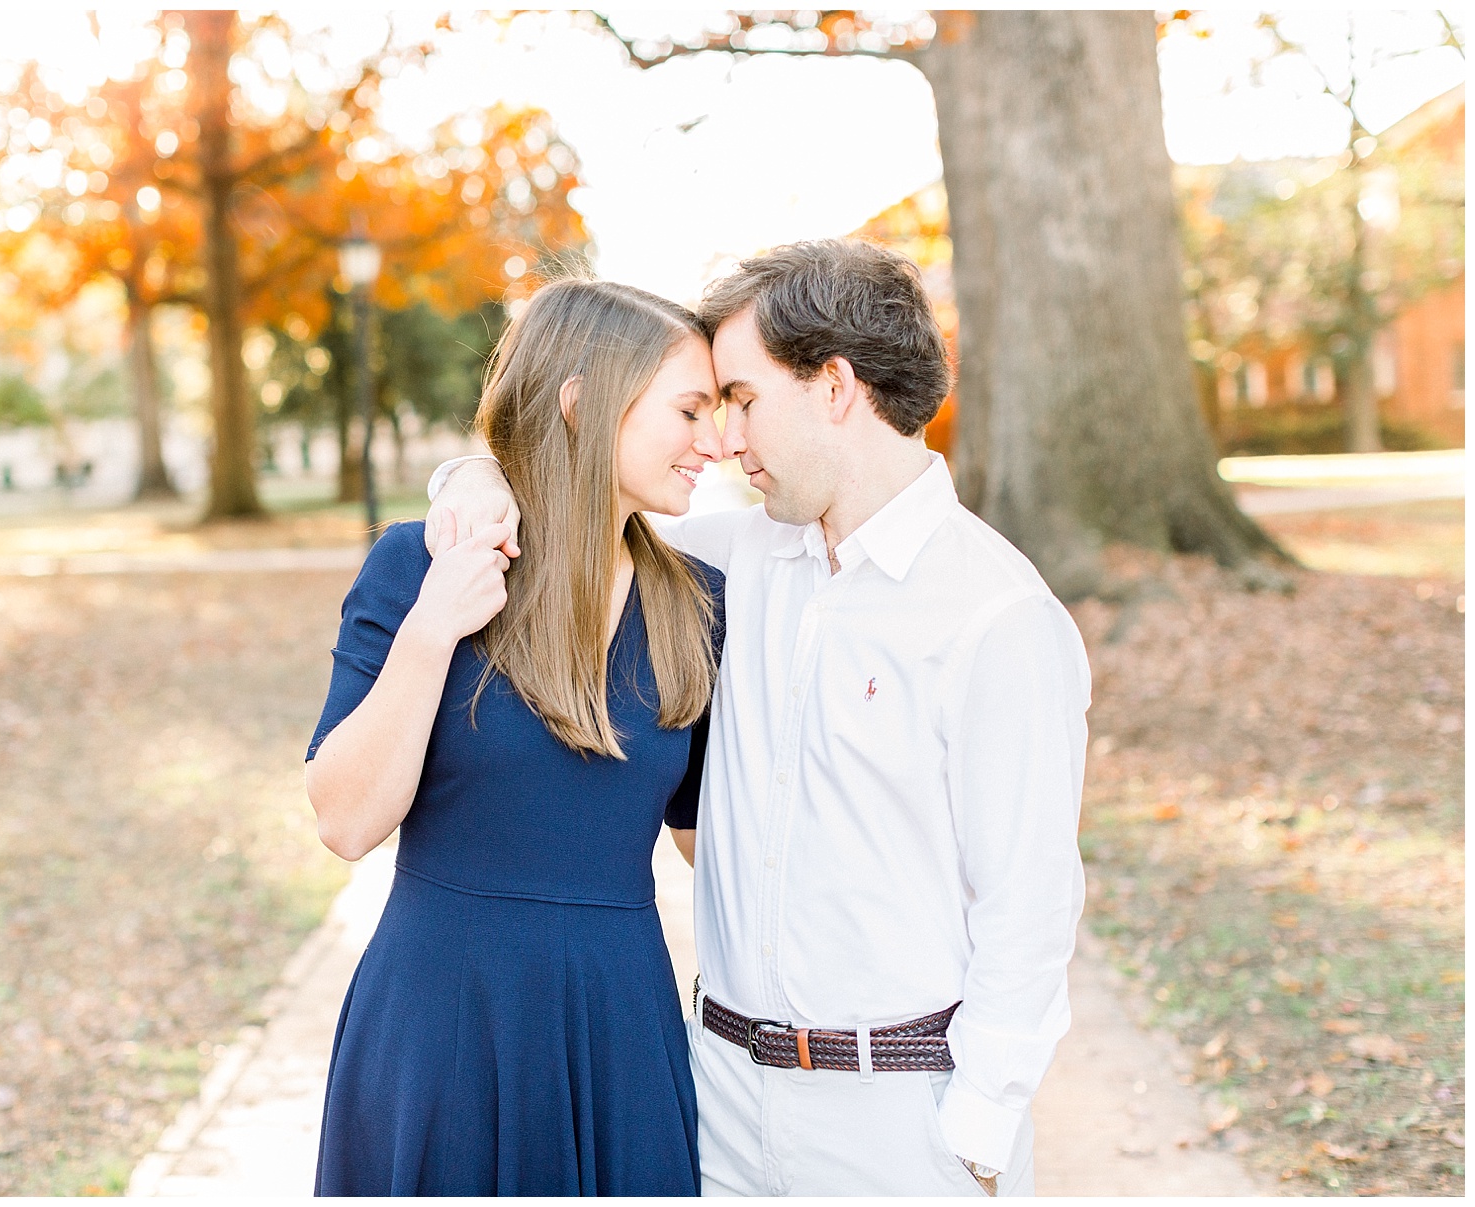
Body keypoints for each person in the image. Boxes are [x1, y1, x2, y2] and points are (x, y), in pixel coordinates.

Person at [426, 239, 1091, 1196]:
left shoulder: (995, 615)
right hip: (720, 1100)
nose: (724, 441)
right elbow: (568, 499)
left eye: (740, 398)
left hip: (901, 1124)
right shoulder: (728, 560)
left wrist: (975, 1131)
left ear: (833, 386)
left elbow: (1029, 903)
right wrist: (473, 477)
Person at [305, 276, 729, 1195]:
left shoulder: (698, 604)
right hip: (442, 1019)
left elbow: (713, 845)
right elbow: (343, 820)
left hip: (618, 1024)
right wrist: (432, 626)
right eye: (690, 409)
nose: (716, 441)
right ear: (583, 402)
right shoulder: (419, 561)